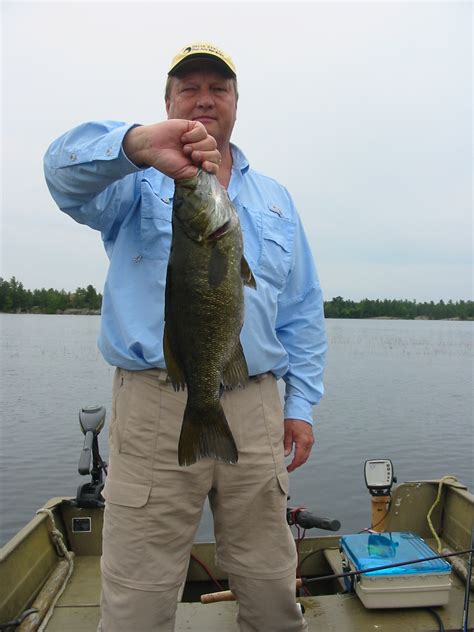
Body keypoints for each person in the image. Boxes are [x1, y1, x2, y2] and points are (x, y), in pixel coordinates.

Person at [44, 42, 327, 632]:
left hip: (256, 406)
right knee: (138, 598)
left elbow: (301, 311)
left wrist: (299, 406)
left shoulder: (276, 201)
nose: (204, 99)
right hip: (155, 402)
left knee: (273, 582)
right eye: (188, 88)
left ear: (235, 103)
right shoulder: (134, 181)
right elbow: (60, 173)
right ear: (168, 102)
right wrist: (134, 145)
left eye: (217, 88)